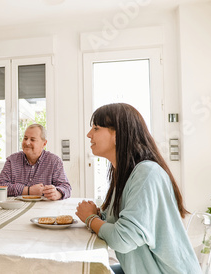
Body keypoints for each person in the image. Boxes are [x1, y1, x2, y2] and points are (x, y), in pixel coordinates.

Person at [76, 103, 201, 274]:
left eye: (96, 128)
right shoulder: (124, 173)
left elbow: (122, 239)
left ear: (118, 134)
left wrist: (90, 219)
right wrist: (99, 216)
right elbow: (118, 221)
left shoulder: (147, 173)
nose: (89, 134)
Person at [0, 124, 71, 200]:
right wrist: (28, 190)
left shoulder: (54, 161)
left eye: (32, 140)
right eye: (25, 138)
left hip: (45, 208)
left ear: (44, 143)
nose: (27, 142)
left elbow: (66, 187)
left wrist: (57, 193)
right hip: (15, 208)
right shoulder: (12, 160)